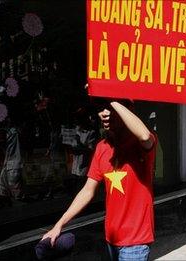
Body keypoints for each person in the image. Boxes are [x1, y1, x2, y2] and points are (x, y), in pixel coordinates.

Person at [42, 99, 157, 261]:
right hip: (111, 238)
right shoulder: (102, 147)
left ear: (127, 109)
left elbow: (145, 136)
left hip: (135, 242)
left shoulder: (139, 143)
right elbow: (88, 190)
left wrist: (110, 97)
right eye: (101, 108)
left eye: (109, 108)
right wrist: (59, 224)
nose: (103, 113)